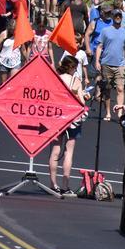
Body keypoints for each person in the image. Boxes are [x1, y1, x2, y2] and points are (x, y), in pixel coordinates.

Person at [48, 55, 87, 195]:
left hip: (56, 116)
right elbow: (82, 102)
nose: (76, 71)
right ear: (71, 67)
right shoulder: (76, 81)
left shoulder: (56, 78)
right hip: (72, 117)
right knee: (68, 152)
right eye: (75, 68)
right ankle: (65, 185)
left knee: (55, 150)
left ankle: (53, 184)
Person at [93, 10, 125, 121]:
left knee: (120, 88)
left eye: (119, 16)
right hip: (106, 63)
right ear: (113, 17)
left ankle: (119, 113)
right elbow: (100, 46)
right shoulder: (105, 31)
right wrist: (97, 61)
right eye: (116, 16)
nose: (118, 17)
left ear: (121, 18)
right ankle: (108, 112)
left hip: (120, 64)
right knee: (107, 89)